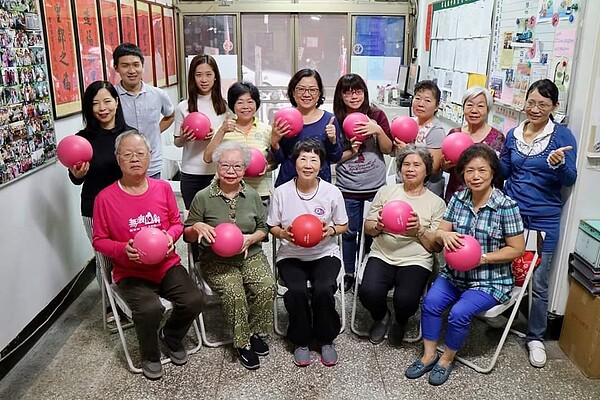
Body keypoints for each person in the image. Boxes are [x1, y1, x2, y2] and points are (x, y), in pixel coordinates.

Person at [405, 144, 524, 386]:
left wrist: (483, 258)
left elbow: (517, 249)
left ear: (493, 173)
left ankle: (446, 359)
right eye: (470, 171)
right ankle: (428, 355)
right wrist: (443, 236)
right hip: (455, 274)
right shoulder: (458, 199)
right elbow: (440, 233)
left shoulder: (506, 206)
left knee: (459, 313)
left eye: (482, 170)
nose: (476, 176)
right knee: (430, 303)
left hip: (490, 280)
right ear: (463, 174)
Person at [92, 131, 204, 380]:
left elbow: (177, 223)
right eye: (128, 154)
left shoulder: (163, 189)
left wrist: (168, 238)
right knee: (150, 309)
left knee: (195, 300)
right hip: (129, 271)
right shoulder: (104, 198)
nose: (135, 159)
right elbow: (99, 241)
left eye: (140, 153)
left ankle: (172, 335)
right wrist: (123, 250)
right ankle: (150, 355)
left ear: (150, 156)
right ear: (118, 159)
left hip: (166, 265)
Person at [500, 79, 577, 368]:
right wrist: (500, 158)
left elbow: (570, 179)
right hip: (512, 213)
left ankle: (535, 337)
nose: (535, 108)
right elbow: (505, 172)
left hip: (544, 217)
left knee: (540, 280)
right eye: (531, 102)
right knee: (505, 267)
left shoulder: (561, 135)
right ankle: (503, 316)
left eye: (543, 104)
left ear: (554, 107)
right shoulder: (514, 133)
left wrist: (558, 164)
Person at [183, 141, 276, 370]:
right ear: (217, 167)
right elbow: (187, 234)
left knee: (267, 287)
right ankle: (242, 343)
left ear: (245, 169)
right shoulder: (203, 197)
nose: (231, 171)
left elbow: (264, 229)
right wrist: (196, 229)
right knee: (235, 293)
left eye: (237, 166)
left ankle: (254, 332)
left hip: (249, 254)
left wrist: (250, 239)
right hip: (216, 259)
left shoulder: (253, 195)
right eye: (225, 166)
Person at [267, 139, 349, 367]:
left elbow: (343, 225)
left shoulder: (332, 192)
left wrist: (329, 230)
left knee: (323, 288)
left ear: (321, 165)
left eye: (314, 159)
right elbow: (272, 226)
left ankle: (325, 339)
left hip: (325, 253)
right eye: (303, 158)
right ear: (295, 163)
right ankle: (301, 340)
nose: (308, 164)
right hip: (291, 255)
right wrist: (282, 234)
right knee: (297, 290)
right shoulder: (282, 192)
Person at [358, 146, 445, 346]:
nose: (410, 169)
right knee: (368, 293)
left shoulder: (437, 203)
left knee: (406, 301)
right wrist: (378, 225)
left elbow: (435, 248)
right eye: (406, 164)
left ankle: (401, 320)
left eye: (417, 165)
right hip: (382, 253)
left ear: (427, 170)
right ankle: (381, 316)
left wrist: (419, 230)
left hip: (416, 259)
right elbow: (368, 227)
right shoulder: (386, 192)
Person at [333, 73, 394, 293]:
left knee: (372, 231)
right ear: (341, 95)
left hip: (375, 186)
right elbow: (333, 158)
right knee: (349, 232)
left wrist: (377, 130)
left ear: (364, 93)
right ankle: (349, 272)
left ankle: (367, 269)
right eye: (347, 92)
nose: (353, 96)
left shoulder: (376, 115)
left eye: (357, 91)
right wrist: (352, 150)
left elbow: (389, 150)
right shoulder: (335, 120)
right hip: (347, 186)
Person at [69, 81, 132, 290]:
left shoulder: (130, 136)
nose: (102, 108)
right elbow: (77, 179)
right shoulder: (82, 140)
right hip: (93, 206)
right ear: (89, 108)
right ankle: (109, 305)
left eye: (107, 101)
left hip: (126, 206)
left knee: (127, 254)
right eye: (95, 103)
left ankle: (132, 299)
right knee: (103, 258)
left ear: (116, 102)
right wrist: (76, 174)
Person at [269, 69, 343, 186]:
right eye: (301, 89)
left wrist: (333, 140)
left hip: (319, 187)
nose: (306, 94)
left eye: (312, 90)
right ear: (293, 92)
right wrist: (274, 143)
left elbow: (336, 157)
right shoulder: (284, 118)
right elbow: (279, 160)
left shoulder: (329, 120)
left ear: (319, 94)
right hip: (288, 185)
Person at [173, 54, 228, 209]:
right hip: (191, 173)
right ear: (193, 77)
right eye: (198, 75)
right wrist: (184, 138)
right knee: (194, 220)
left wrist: (216, 136)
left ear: (215, 77)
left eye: (208, 74)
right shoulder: (183, 107)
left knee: (216, 219)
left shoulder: (225, 107)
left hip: (218, 173)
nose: (204, 80)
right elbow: (177, 142)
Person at [113, 43, 175, 179]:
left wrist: (155, 131)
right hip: (121, 166)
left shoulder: (158, 94)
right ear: (116, 68)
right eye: (125, 65)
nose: (131, 70)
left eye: (136, 65)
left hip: (152, 164)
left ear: (142, 66)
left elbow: (170, 115)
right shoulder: (111, 97)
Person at [203, 81, 273, 200]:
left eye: (250, 102)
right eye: (240, 102)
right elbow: (207, 158)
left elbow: (274, 160)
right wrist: (221, 132)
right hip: (228, 193)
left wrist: (268, 167)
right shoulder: (224, 129)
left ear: (257, 104)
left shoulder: (266, 130)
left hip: (259, 193)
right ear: (232, 105)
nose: (245, 107)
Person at [443, 86, 505, 202]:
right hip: (456, 198)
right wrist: (446, 166)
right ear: (463, 108)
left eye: (480, 106)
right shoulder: (454, 134)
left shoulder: (497, 137)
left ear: (488, 110)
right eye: (470, 105)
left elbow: (499, 172)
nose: (474, 110)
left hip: (485, 201)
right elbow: (446, 168)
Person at [394, 80, 446, 198]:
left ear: (437, 105)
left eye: (427, 100)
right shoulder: (409, 123)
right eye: (417, 98)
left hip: (427, 191)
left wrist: (407, 150)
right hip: (405, 186)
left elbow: (434, 167)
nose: (421, 104)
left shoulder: (436, 131)